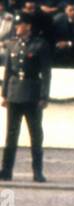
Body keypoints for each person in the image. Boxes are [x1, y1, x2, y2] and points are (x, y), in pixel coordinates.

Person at [0, 10, 51, 181]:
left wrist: (44, 96)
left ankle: (37, 171)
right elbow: (8, 71)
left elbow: (46, 72)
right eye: (16, 25)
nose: (17, 28)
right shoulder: (12, 44)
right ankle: (6, 170)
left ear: (28, 26)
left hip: (32, 93)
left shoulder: (39, 45)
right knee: (11, 134)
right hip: (15, 93)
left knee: (35, 134)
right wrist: (4, 94)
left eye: (20, 25)